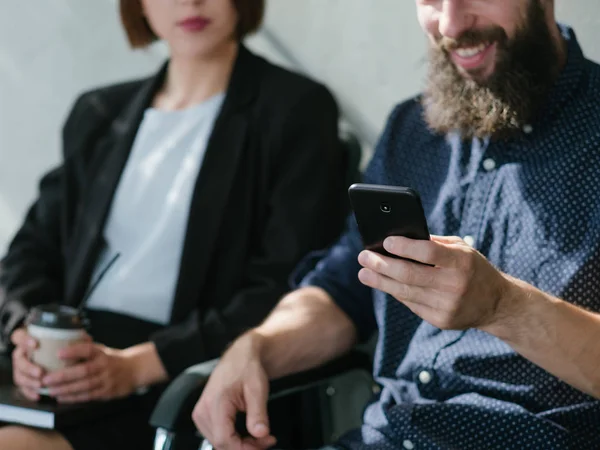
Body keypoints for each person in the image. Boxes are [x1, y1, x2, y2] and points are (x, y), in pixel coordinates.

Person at [192, 0, 600, 449]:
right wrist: (258, 346)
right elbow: (345, 287)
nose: (450, 24)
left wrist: (506, 306)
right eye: (431, 0)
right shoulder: (412, 127)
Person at [0, 0, 348, 449]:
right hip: (70, 363)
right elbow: (29, 252)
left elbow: (287, 283)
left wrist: (139, 365)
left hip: (187, 370)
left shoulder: (294, 108)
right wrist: (26, 335)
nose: (191, 2)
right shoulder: (100, 113)